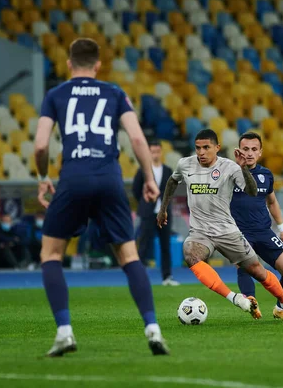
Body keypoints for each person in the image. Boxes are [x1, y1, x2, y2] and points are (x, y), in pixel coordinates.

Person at [34, 38, 169, 357]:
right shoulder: (114, 92)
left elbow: (41, 146)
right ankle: (153, 329)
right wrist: (150, 178)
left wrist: (43, 178)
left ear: (69, 64)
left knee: (51, 255)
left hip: (73, 176)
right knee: (129, 256)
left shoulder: (55, 94)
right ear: (97, 65)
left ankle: (65, 332)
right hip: (109, 178)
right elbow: (137, 137)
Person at [157, 129, 283, 322]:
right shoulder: (185, 164)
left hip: (228, 230)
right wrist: (163, 208)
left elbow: (252, 192)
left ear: (217, 148)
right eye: (198, 148)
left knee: (258, 271)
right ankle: (235, 298)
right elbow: (172, 181)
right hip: (201, 231)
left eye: (206, 147)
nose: (201, 152)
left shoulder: (230, 167)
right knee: (190, 253)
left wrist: (242, 168)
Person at [230, 132, 283, 321]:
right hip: (239, 233)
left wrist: (282, 228)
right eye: (245, 149)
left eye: (254, 149)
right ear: (238, 151)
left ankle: (280, 308)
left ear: (260, 152)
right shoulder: (229, 173)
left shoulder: (265, 174)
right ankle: (250, 301)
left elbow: (272, 202)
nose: (249, 153)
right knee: (245, 266)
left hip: (264, 232)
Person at [132, 139, 180, 286]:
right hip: (148, 213)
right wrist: (145, 202)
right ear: (149, 153)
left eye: (157, 151)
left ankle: (167, 277)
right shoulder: (143, 170)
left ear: (161, 152)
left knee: (165, 246)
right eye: (152, 152)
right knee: (144, 245)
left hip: (164, 213)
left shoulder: (167, 170)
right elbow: (136, 189)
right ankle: (139, 277)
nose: (155, 154)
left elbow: (172, 190)